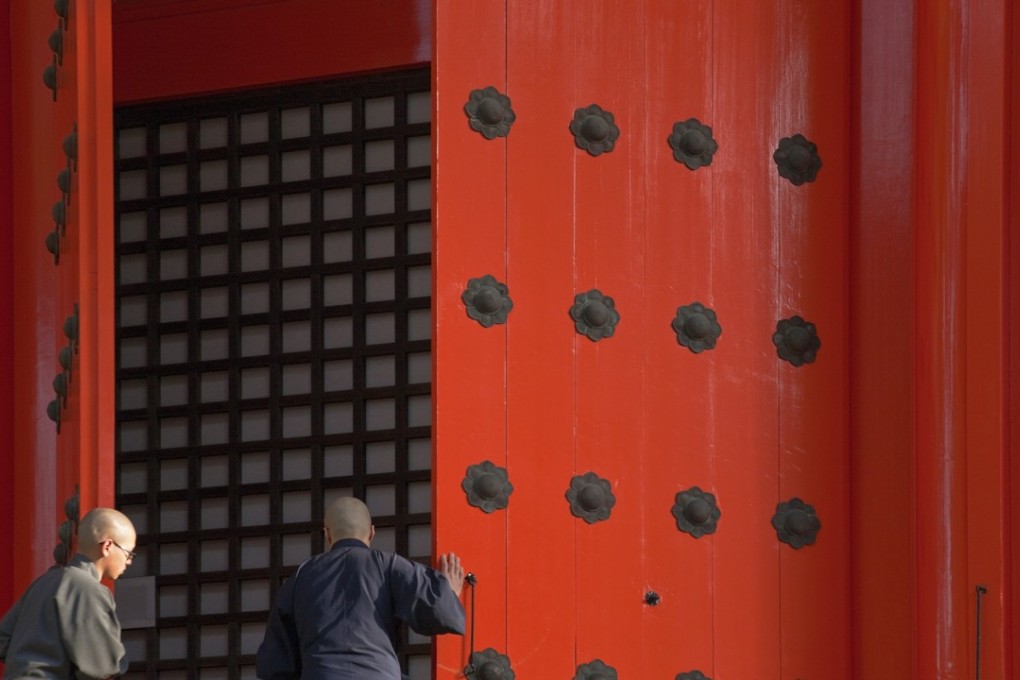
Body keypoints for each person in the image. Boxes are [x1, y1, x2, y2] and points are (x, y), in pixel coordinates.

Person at [256, 497, 465, 680]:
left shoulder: (301, 577)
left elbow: (275, 662)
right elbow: (440, 611)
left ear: (327, 534)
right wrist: (450, 592)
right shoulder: (388, 565)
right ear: (372, 533)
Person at [0, 507, 136, 679]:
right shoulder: (89, 589)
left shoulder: (41, 583)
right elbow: (104, 666)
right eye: (129, 553)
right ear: (108, 546)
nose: (129, 561)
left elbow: (4, 640)